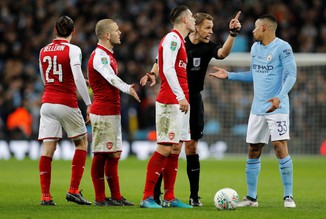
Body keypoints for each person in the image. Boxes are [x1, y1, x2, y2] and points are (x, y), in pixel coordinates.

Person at [141, 11, 241, 207]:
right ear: (194, 25)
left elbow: (222, 54)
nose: (211, 32)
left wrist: (232, 34)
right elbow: (162, 62)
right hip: (175, 99)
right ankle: (152, 195)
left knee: (181, 147)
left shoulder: (205, 46)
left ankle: (186, 196)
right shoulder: (177, 40)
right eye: (207, 27)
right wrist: (153, 74)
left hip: (191, 99)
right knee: (166, 147)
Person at [209, 14, 297, 208]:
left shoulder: (283, 48)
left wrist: (279, 97)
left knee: (279, 146)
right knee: (253, 149)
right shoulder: (255, 48)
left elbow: (291, 76)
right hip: (257, 108)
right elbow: (254, 75)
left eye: (256, 28)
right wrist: (229, 75)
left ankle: (288, 196)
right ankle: (251, 198)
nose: (253, 31)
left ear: (264, 28)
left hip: (278, 107)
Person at [139, 5, 195, 209]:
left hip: (180, 101)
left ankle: (169, 197)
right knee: (164, 146)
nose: (193, 20)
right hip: (171, 100)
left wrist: (152, 73)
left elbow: (160, 63)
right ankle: (146, 197)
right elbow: (169, 68)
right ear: (183, 20)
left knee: (175, 148)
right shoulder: (172, 39)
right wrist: (180, 96)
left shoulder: (179, 41)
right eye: (191, 17)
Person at [38, 15, 92, 206]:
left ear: (55, 31)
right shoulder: (73, 49)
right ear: (73, 32)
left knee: (48, 147)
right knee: (81, 143)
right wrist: (88, 103)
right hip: (66, 102)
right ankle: (74, 190)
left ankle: (45, 196)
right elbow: (77, 77)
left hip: (47, 103)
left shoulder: (43, 50)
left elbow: (45, 78)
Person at [88, 19, 140, 207]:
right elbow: (110, 78)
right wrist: (128, 88)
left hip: (111, 110)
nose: (120, 33)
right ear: (107, 35)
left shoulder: (107, 54)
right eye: (117, 30)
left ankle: (116, 196)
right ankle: (100, 198)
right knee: (101, 153)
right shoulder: (101, 55)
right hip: (103, 111)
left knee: (114, 154)